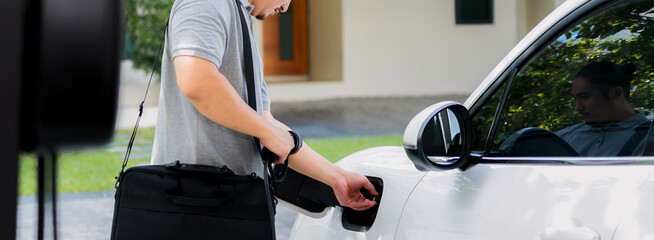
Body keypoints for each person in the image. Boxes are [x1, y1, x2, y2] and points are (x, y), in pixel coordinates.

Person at [150, 0, 377, 211]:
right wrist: (266, 131)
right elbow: (197, 81)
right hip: (193, 207)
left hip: (226, 204)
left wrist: (339, 178)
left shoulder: (240, 18)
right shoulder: (208, 3)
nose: (286, 8)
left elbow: (267, 124)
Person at [557, 61, 651, 156]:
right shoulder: (564, 137)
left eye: (584, 97)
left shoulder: (648, 139)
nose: (577, 107)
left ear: (616, 93)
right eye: (575, 98)